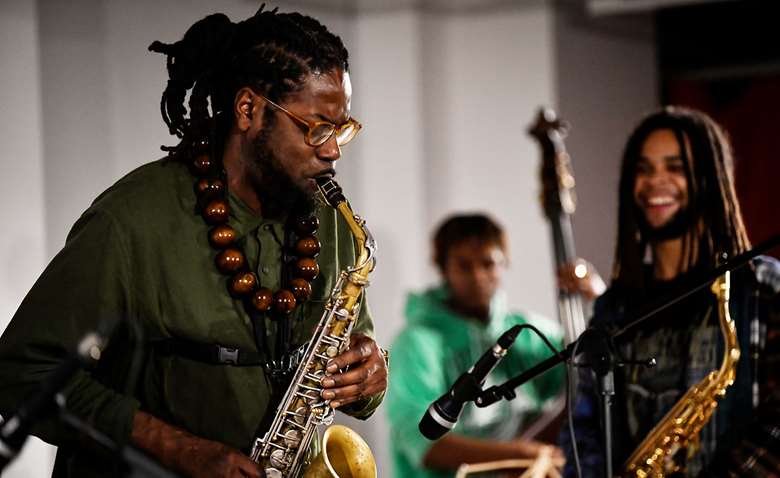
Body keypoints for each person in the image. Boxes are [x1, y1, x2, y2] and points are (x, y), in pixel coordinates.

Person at [0, 7, 388, 478]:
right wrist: (179, 449)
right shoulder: (131, 220)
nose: (332, 150)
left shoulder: (332, 222)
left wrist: (370, 374)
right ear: (249, 110)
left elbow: (354, 348)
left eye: (343, 128)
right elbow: (21, 372)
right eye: (317, 128)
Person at [562, 106, 780, 477]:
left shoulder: (763, 288)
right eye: (643, 169)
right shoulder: (614, 310)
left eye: (675, 168)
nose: (655, 182)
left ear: (711, 180)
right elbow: (583, 431)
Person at [387, 214, 601, 477]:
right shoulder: (415, 343)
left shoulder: (526, 331)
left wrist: (598, 298)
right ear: (443, 268)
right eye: (464, 266)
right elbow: (424, 444)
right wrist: (518, 454)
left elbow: (588, 375)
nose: (478, 276)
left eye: (488, 264)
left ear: (504, 263)